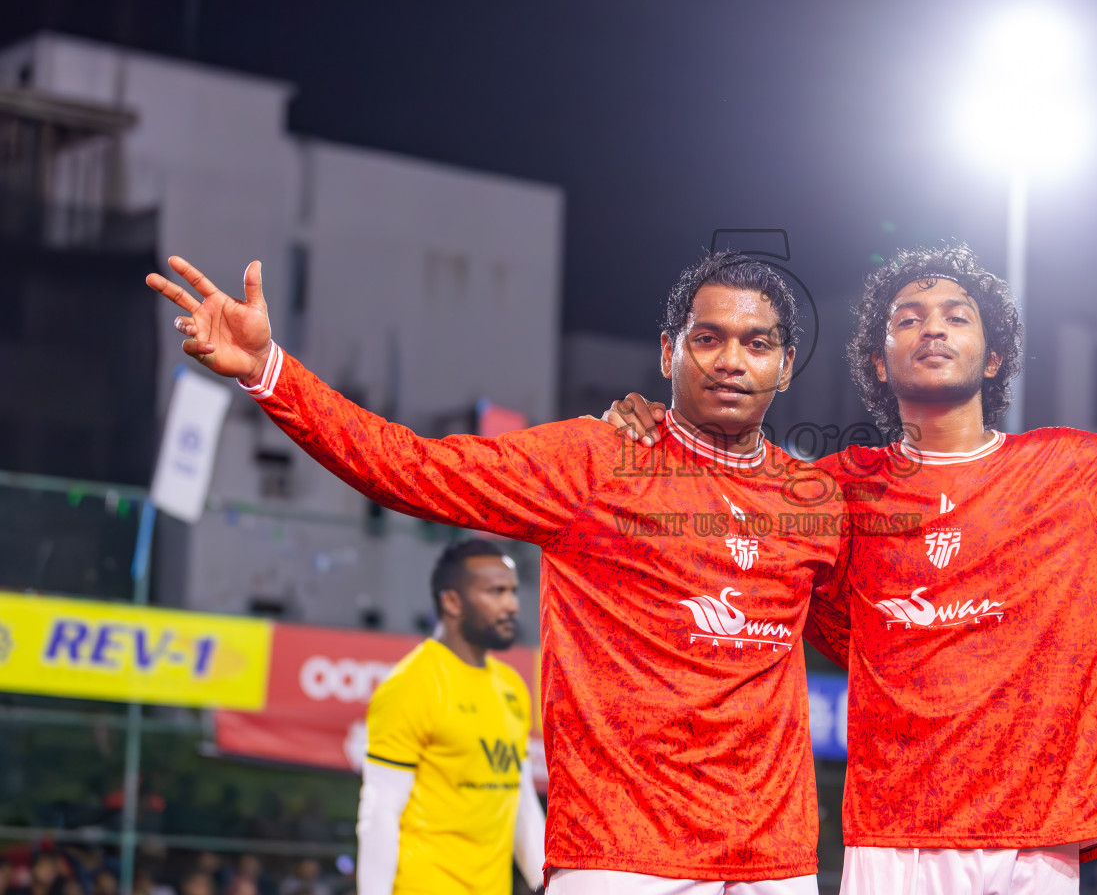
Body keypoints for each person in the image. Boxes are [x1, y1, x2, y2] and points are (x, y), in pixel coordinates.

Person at [605, 188, 1097, 894]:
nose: (933, 329)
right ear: (880, 364)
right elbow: (723, 527)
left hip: (1037, 838)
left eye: (957, 316)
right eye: (908, 319)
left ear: (992, 357)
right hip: (894, 836)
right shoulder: (835, 491)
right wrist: (654, 424)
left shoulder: (1066, 468)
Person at [147, 251, 843, 894]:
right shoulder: (594, 462)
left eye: (757, 344)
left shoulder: (815, 502)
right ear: (668, 353)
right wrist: (270, 371)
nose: (730, 361)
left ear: (785, 366)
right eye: (707, 337)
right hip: (622, 859)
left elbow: (897, 635)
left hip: (773, 865)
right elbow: (409, 469)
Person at [354, 539, 542, 894]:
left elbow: (519, 798)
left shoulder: (512, 687)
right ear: (452, 601)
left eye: (513, 592)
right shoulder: (411, 684)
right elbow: (379, 812)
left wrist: (544, 883)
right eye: (496, 592)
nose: (512, 605)